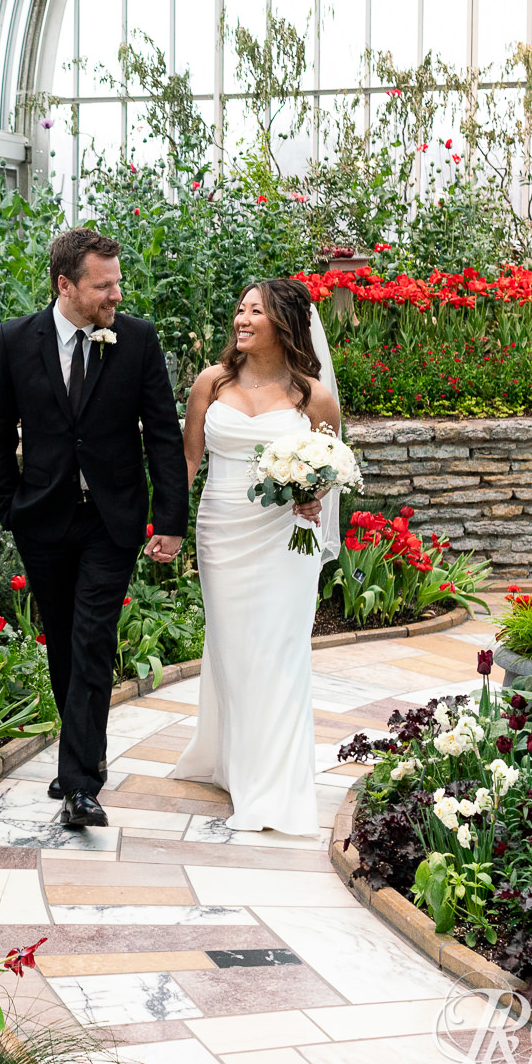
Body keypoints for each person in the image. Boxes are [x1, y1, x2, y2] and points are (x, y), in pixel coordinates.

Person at [0, 228, 189, 830]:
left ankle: (79, 784)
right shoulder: (16, 340)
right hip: (42, 518)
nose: (116, 295)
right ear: (65, 285)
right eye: (103, 285)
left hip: (112, 519)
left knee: (94, 638)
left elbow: (163, 437)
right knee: (65, 644)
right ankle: (81, 753)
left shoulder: (138, 340)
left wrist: (170, 521)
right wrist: (8, 505)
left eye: (118, 282)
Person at [173, 278, 341, 836]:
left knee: (280, 650)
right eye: (240, 308)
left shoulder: (312, 396)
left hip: (286, 536)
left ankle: (270, 784)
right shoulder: (210, 383)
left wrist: (313, 494)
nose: (242, 319)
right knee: (233, 648)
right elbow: (188, 463)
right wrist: (167, 526)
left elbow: (329, 463)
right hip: (222, 532)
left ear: (285, 324)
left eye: (256, 311)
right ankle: (233, 759)